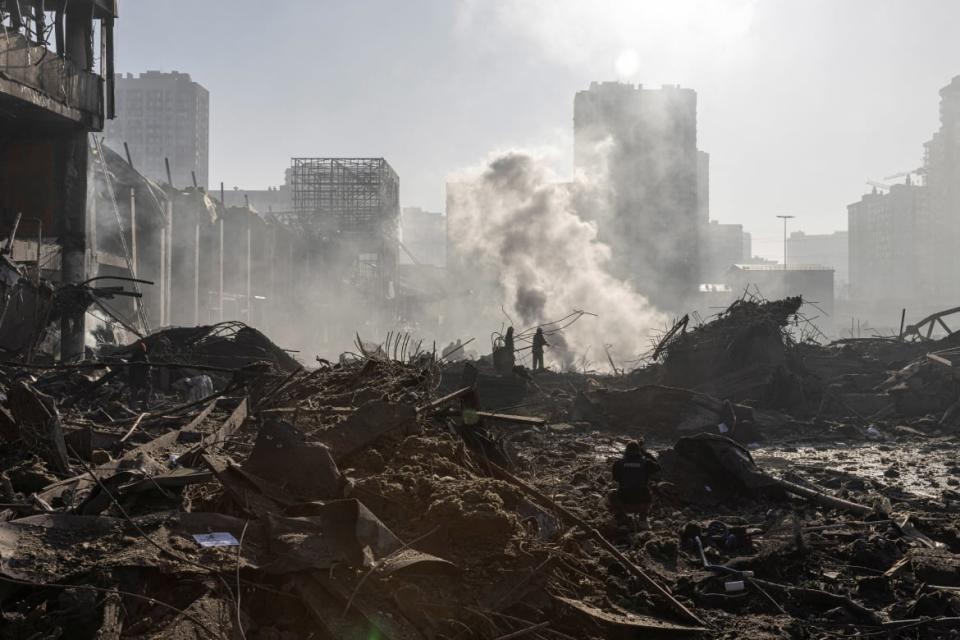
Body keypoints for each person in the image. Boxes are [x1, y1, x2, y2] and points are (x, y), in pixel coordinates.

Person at [609, 439, 660, 529]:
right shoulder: (646, 463)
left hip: (625, 503)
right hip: (642, 503)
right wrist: (645, 453)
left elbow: (616, 479)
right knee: (653, 488)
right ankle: (643, 519)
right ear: (639, 451)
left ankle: (621, 518)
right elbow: (658, 467)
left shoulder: (618, 463)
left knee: (611, 493)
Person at [128, 341, 152, 408]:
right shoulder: (144, 356)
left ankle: (133, 406)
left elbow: (130, 368)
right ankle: (145, 404)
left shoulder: (133, 357)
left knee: (134, 393)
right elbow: (148, 367)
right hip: (143, 378)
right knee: (148, 389)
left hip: (134, 378)